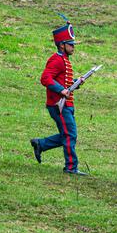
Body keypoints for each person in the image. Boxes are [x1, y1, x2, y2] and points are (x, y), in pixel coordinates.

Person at [30, 14, 87, 175]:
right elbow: (45, 78)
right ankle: (71, 167)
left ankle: (41, 144)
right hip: (59, 105)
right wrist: (61, 90)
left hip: (66, 104)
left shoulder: (64, 60)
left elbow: (64, 82)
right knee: (70, 135)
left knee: (67, 134)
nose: (73, 47)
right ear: (62, 45)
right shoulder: (57, 59)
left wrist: (76, 82)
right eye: (71, 44)